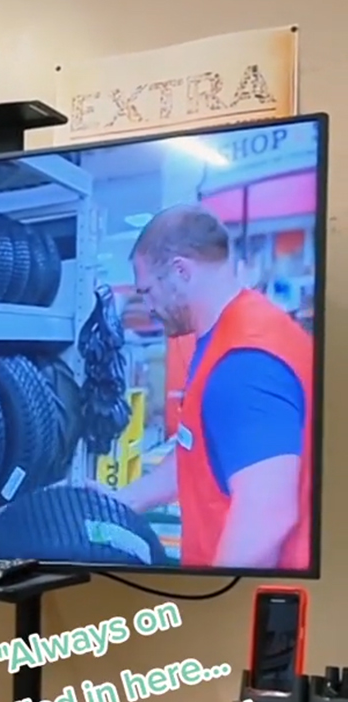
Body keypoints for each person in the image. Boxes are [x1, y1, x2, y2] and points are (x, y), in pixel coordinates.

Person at [110, 204, 312, 571]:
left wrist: (216, 608)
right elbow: (200, 451)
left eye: (148, 291)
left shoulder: (244, 363)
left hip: (244, 600)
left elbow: (266, 515)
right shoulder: (231, 330)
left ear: (181, 271)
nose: (148, 306)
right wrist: (120, 501)